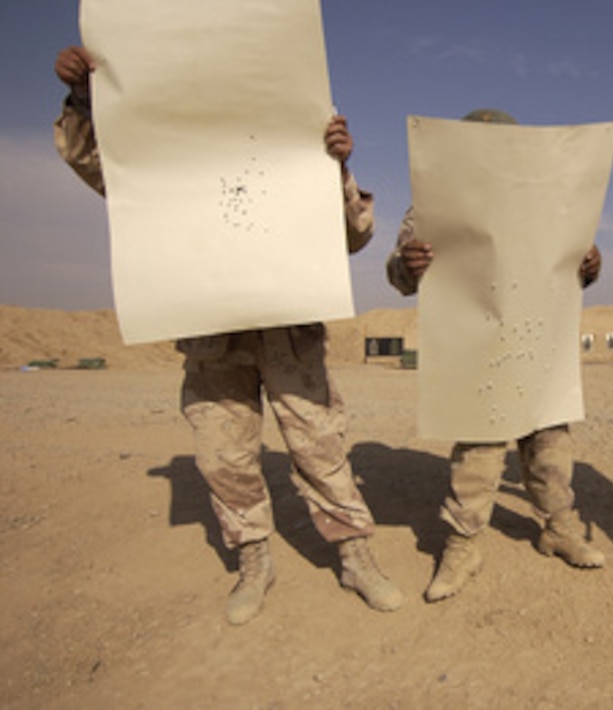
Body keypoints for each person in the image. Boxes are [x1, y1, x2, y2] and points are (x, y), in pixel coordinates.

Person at [53, 45, 403, 624]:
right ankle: (254, 562)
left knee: (321, 447)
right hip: (213, 330)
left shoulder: (297, 140)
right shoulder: (170, 149)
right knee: (225, 456)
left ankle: (355, 556)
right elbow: (105, 170)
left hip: (288, 327)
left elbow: (355, 235)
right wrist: (83, 101)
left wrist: (334, 167)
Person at [387, 108, 606, 603]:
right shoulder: (435, 201)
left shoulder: (549, 199)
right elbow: (398, 270)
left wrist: (590, 264)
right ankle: (463, 543)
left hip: (537, 336)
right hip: (476, 338)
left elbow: (575, 262)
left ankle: (559, 527)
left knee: (549, 440)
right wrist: (407, 264)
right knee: (480, 449)